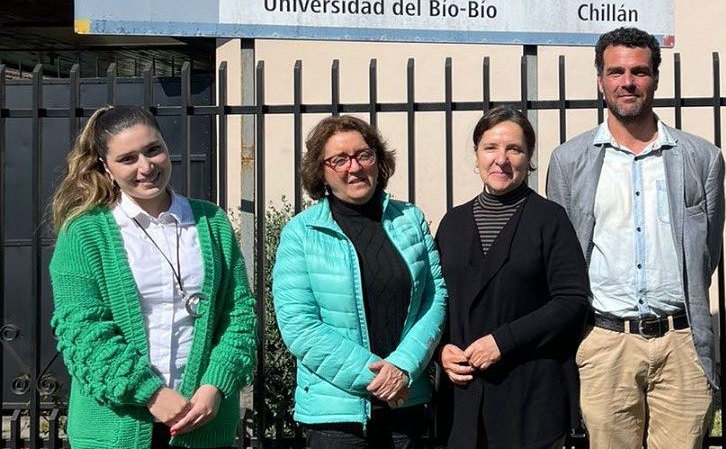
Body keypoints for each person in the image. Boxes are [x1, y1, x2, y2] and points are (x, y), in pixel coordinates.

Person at [547, 27, 725, 449]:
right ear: (600, 80)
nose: (627, 81)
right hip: (606, 341)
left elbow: (706, 252)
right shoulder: (570, 160)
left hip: (681, 342)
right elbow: (566, 255)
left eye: (639, 71)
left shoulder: (701, 158)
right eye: (616, 71)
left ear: (656, 78)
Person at [48, 105, 256, 449]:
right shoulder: (84, 232)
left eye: (153, 150)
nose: (146, 167)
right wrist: (153, 395)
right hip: (115, 429)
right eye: (128, 159)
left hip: (202, 423)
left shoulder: (211, 222)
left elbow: (239, 314)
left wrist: (214, 386)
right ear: (106, 167)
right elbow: (83, 332)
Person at [272, 115, 446, 449]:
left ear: (378, 159)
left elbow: (434, 297)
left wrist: (403, 367)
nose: (354, 167)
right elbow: (299, 325)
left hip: (405, 404)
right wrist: (378, 378)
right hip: (336, 416)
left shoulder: (410, 219)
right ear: (320, 170)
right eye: (339, 160)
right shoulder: (301, 233)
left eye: (363, 154)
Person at [435, 106, 589, 449]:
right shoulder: (452, 224)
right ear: (476, 155)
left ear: (529, 158)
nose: (501, 159)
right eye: (490, 147)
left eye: (514, 149)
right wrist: (440, 351)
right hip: (464, 397)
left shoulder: (550, 220)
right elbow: (435, 301)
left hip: (530, 395)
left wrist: (502, 342)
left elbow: (572, 302)